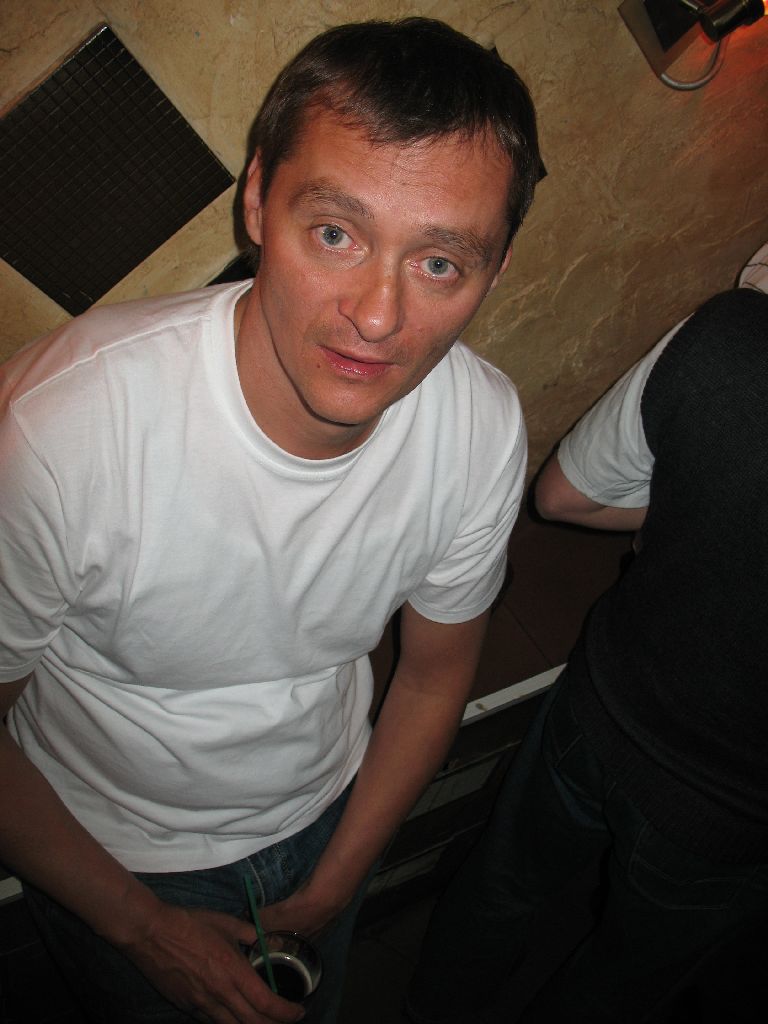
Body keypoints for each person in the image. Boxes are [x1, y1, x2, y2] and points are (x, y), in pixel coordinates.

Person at [0, 17, 543, 1024]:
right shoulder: (59, 434)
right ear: (256, 201)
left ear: (496, 269)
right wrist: (140, 926)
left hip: (334, 807)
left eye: (440, 263)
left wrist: (337, 881)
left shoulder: (480, 425)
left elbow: (433, 676)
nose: (376, 316)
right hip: (114, 855)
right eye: (336, 233)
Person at [405, 242, 768, 1024]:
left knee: (501, 890)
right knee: (619, 980)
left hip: (602, 708)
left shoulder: (733, 337)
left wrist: (694, 507)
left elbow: (566, 496)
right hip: (730, 819)